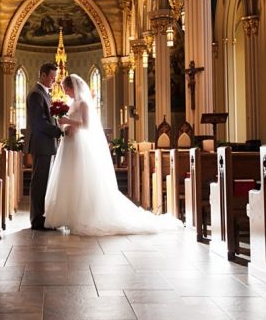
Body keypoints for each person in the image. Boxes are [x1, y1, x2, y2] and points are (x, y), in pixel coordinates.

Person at [43, 74, 182, 235]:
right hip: (69, 145)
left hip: (79, 145)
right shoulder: (71, 103)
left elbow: (86, 125)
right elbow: (71, 122)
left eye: (66, 89)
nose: (64, 92)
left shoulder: (83, 104)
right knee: (68, 178)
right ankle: (66, 216)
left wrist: (68, 122)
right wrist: (65, 126)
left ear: (73, 87)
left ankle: (82, 216)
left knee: (81, 179)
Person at [25, 63, 63, 230]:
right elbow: (39, 123)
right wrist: (59, 131)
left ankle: (40, 216)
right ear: (42, 75)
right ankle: (37, 219)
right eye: (52, 78)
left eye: (55, 78)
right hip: (41, 144)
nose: (54, 81)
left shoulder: (44, 94)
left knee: (43, 181)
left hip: (46, 144)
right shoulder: (36, 95)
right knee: (39, 182)